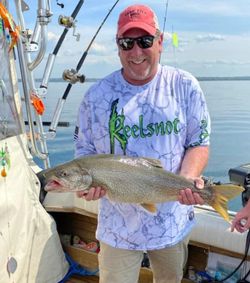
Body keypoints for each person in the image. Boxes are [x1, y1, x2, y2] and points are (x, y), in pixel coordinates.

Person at [74, 4, 210, 283]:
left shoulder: (185, 85)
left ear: (160, 42)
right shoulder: (95, 97)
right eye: (126, 43)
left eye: (145, 41)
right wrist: (87, 188)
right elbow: (84, 153)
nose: (136, 52)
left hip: (171, 219)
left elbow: (199, 141)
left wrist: (186, 179)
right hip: (117, 227)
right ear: (118, 46)